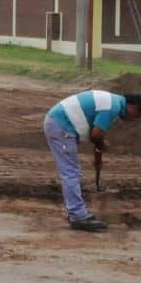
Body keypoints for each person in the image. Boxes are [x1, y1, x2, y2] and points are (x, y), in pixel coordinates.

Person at [43, 91, 141, 231]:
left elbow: (96, 136)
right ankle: (78, 216)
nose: (134, 119)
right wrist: (102, 146)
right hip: (61, 125)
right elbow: (97, 135)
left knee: (71, 170)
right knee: (70, 171)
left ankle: (77, 214)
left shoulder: (112, 102)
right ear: (133, 106)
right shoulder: (111, 107)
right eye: (137, 115)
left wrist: (98, 158)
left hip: (59, 123)